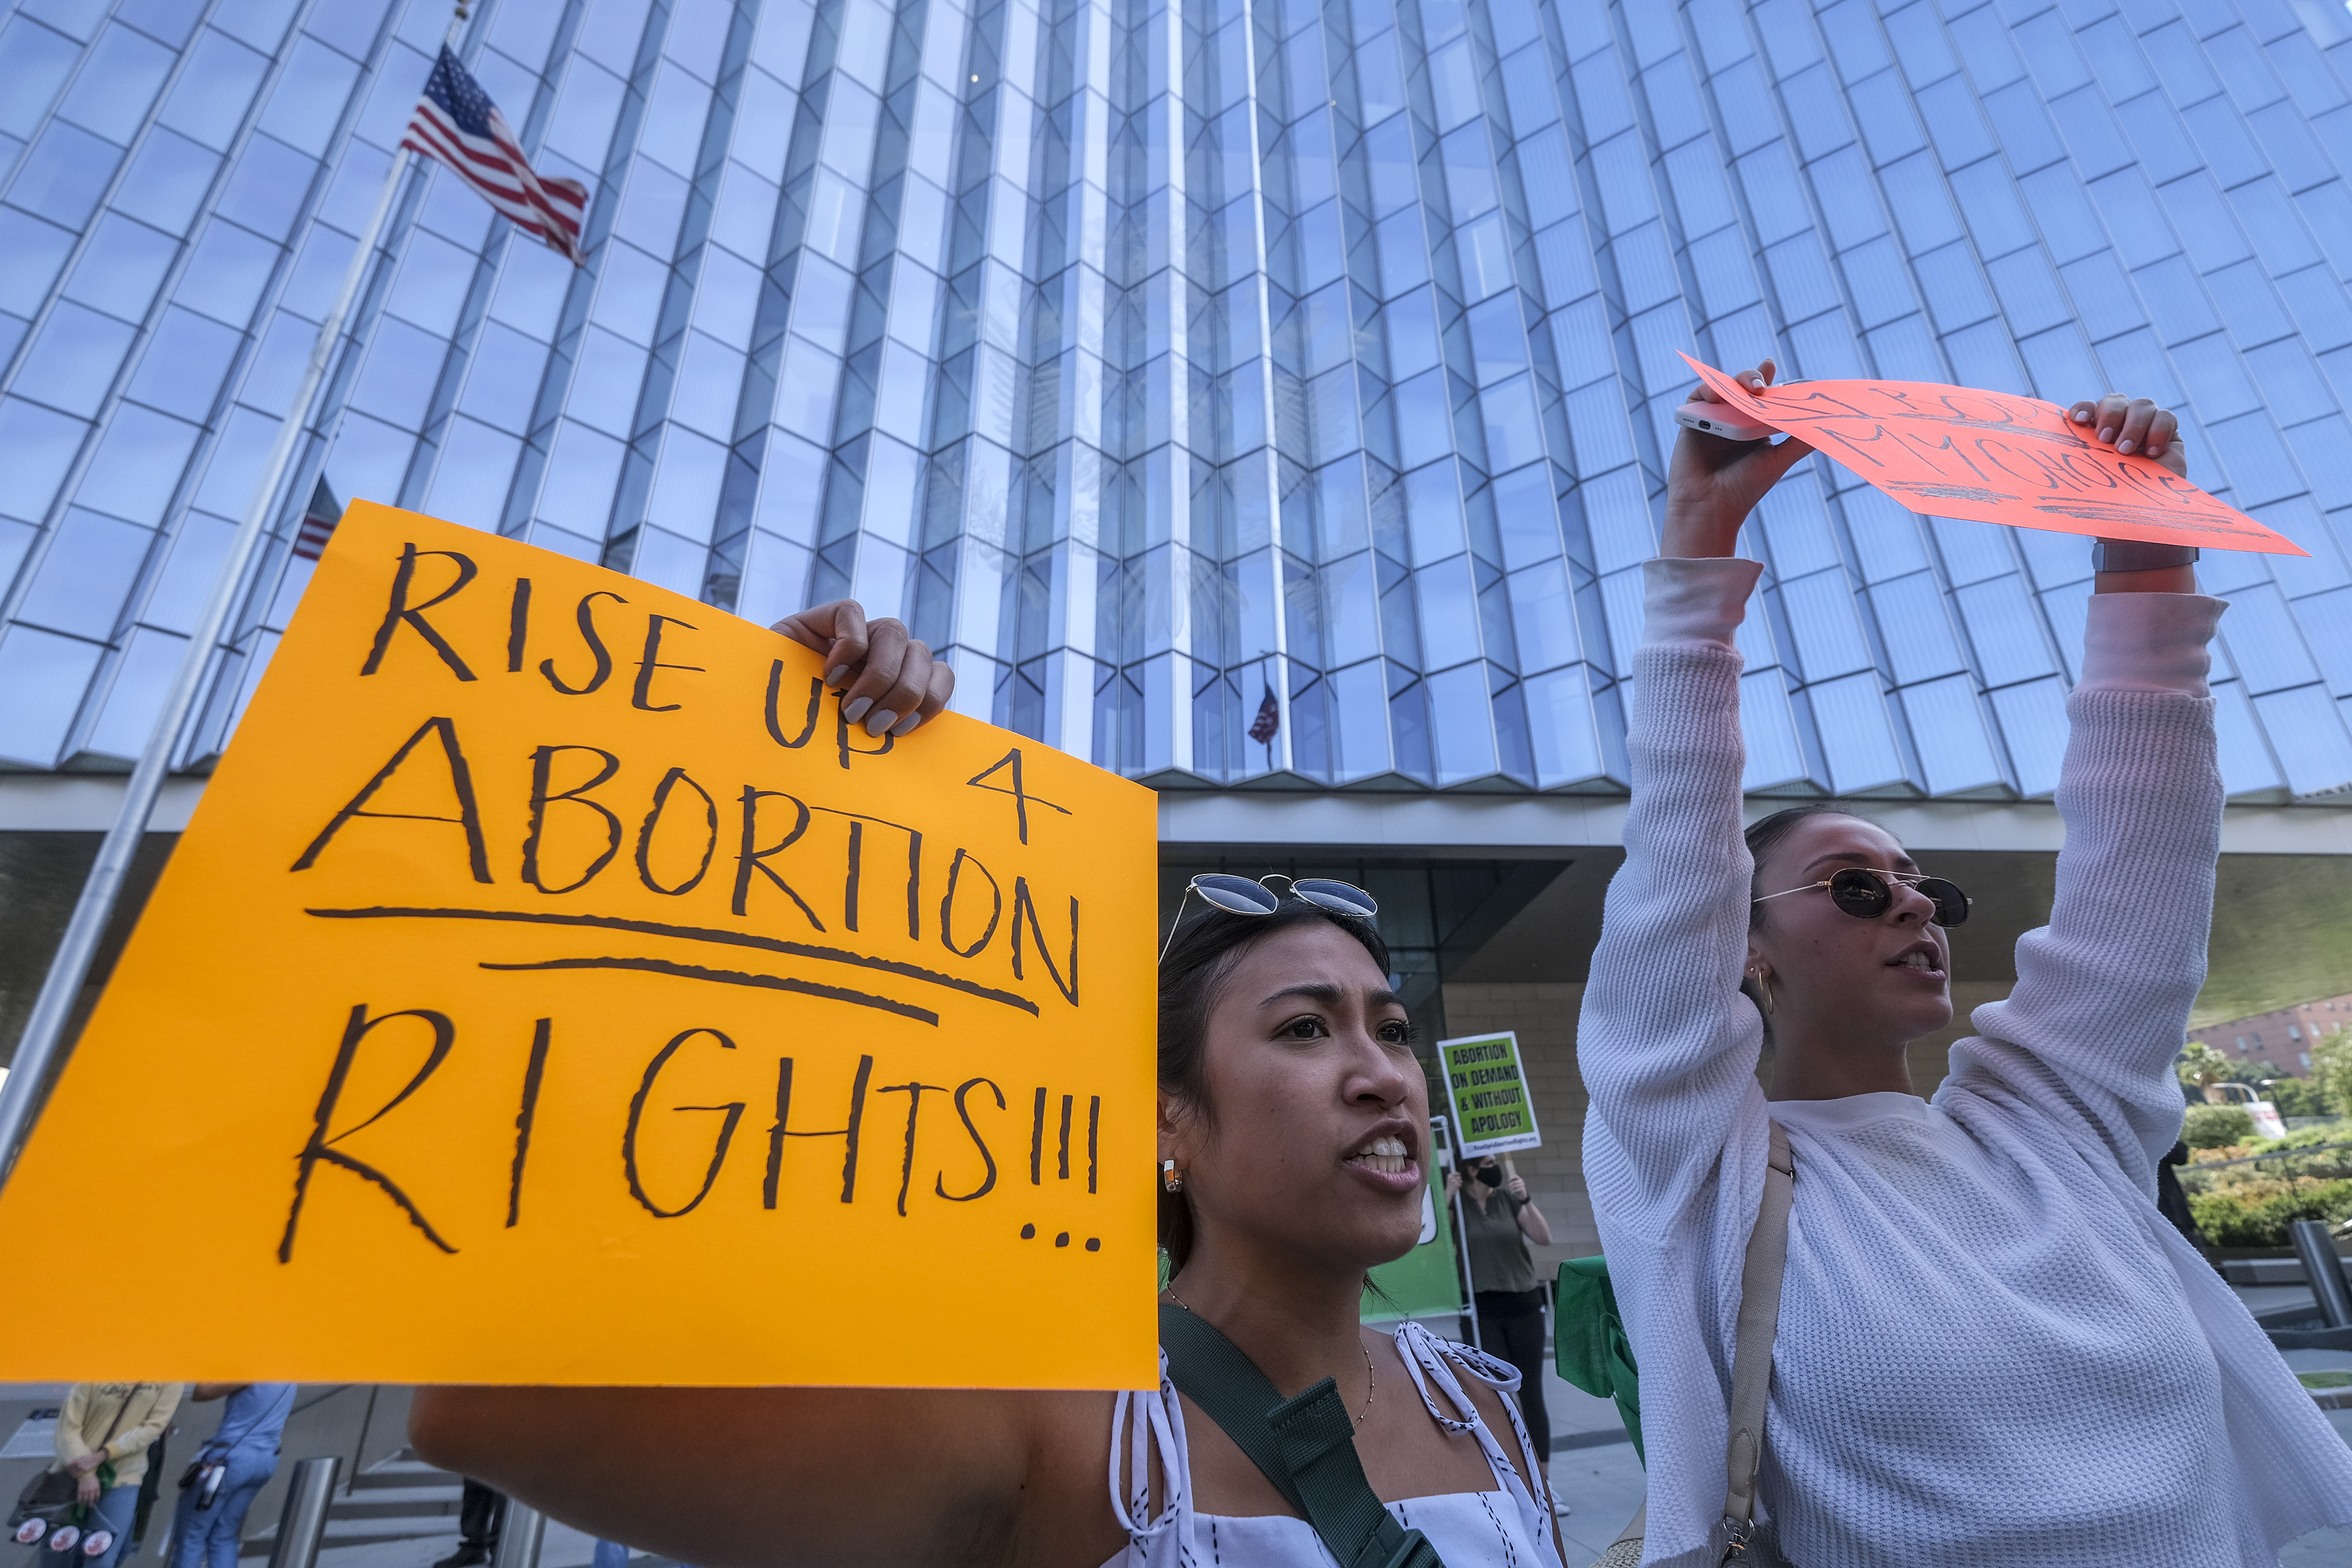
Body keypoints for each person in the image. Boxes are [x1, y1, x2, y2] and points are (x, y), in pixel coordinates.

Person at [407, 601, 1566, 1567]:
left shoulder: (1485, 1403)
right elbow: (478, 1407)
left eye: (1395, 1029)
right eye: (1307, 1029)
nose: (1381, 1076)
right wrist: (747, 768)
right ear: (1170, 1120)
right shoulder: (1056, 1433)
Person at [1580, 362, 2352, 1565]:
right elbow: (1675, 877)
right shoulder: (1704, 1173)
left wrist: (2147, 565)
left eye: (1925, 885)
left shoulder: (2052, 1126)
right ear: (1746, 950)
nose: (1914, 906)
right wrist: (1700, 566)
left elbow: (2141, 874)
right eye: (1854, 886)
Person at [1443, 1155, 1554, 1465]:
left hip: (1524, 1304)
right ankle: (1510, 1473)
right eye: (1489, 1162)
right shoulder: (1458, 1204)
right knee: (1493, 1397)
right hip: (1482, 1311)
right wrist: (1447, 1197)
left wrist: (1526, 1199)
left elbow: (1544, 1238)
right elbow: (1438, 1249)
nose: (1496, 1168)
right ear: (1471, 1169)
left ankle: (1544, 1480)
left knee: (1531, 1393)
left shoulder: (1508, 1198)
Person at [47, 1383, 183, 1568]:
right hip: (72, 1474)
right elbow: (67, 1429)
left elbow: (153, 1428)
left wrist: (104, 1454)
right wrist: (86, 1474)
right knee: (60, 1555)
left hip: (124, 1476)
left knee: (102, 1558)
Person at [167, 1384, 293, 1568]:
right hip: (266, 1460)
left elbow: (201, 1392)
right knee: (224, 1536)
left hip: (229, 1461)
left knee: (191, 1537)